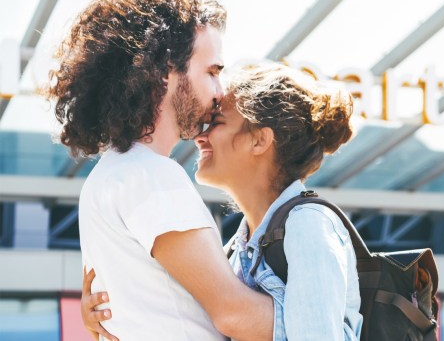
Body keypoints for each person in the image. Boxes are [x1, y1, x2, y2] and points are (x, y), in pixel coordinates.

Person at [47, 0, 274, 340]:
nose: (221, 92)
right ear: (167, 67)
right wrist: (338, 317)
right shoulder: (152, 177)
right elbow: (235, 314)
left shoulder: (111, 175)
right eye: (213, 72)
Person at [82, 63, 364, 341]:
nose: (199, 136)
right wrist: (111, 310)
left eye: (215, 123)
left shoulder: (308, 225)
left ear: (259, 140)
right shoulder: (235, 251)